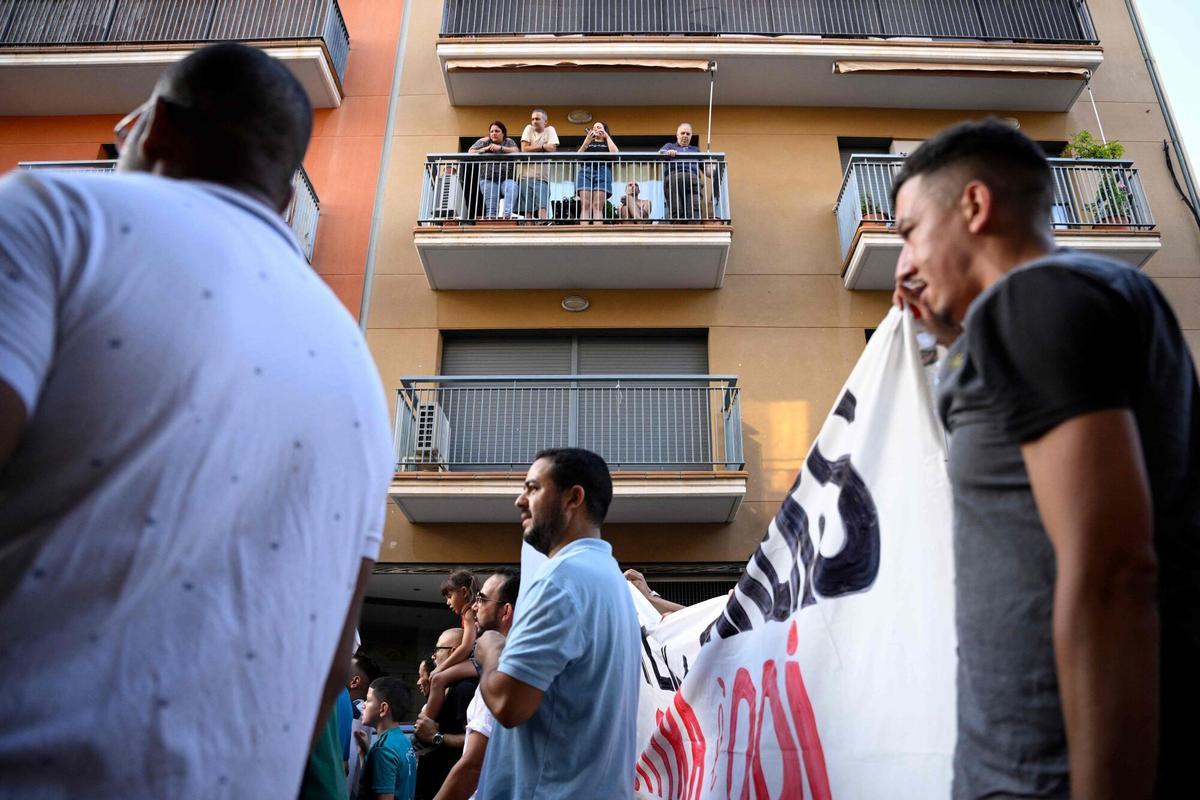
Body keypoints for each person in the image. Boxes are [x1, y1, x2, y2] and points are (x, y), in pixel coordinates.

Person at [0, 43, 393, 795]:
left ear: (155, 128)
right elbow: (330, 664)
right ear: (285, 198)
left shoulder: (55, 216)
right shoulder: (359, 377)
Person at [891, 118, 1199, 799]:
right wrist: (950, 337)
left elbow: (1115, 571)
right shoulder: (1096, 295)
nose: (902, 265)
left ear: (975, 205)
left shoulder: (1034, 299)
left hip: (1049, 773)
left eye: (909, 233)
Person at [474, 448, 640, 799]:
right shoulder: (609, 579)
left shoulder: (560, 580)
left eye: (533, 488)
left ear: (573, 498)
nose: (520, 501)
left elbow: (508, 704)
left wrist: (491, 650)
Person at [435, 568, 521, 800]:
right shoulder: (532, 673)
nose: (474, 606)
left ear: (506, 611)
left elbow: (472, 766)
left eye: (482, 599)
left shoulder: (497, 679)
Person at [413, 628, 478, 800]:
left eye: (437, 649)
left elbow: (474, 740)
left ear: (454, 651)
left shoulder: (466, 689)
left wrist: (436, 737)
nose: (433, 656)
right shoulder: (446, 686)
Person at [422, 569, 480, 722]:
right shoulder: (474, 611)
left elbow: (466, 647)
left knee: (438, 679)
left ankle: (426, 722)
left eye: (450, 596)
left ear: (464, 591)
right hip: (478, 659)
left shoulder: (469, 612)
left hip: (479, 660)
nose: (448, 602)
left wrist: (441, 667)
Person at [360, 677, 418, 800]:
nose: (363, 705)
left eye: (368, 700)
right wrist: (364, 753)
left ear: (383, 708)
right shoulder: (403, 741)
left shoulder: (383, 750)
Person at [468, 121, 518, 218]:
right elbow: (471, 152)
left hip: (506, 179)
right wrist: (486, 149)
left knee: (512, 187)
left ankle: (507, 216)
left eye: (497, 131)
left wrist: (500, 148)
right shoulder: (485, 141)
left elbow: (516, 151)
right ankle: (491, 221)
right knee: (491, 209)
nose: (494, 133)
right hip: (488, 178)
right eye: (491, 131)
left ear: (503, 133)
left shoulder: (508, 141)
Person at [659, 122, 708, 221]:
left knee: (695, 208)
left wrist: (712, 165)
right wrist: (667, 152)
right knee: (676, 208)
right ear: (677, 135)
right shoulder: (669, 146)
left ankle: (693, 226)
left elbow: (707, 171)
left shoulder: (695, 150)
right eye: (683, 133)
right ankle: (678, 227)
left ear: (691, 136)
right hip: (675, 177)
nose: (685, 135)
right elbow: (659, 154)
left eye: (688, 134)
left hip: (693, 178)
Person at [518, 109, 559, 221]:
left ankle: (542, 226)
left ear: (545, 121)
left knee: (542, 206)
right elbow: (524, 149)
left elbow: (552, 149)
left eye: (537, 119)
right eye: (532, 119)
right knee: (527, 209)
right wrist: (543, 147)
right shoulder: (528, 128)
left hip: (542, 177)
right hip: (525, 176)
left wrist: (533, 148)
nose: (534, 121)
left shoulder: (550, 130)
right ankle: (528, 229)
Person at [575, 121, 618, 224]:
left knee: (597, 205)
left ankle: (597, 231)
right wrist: (587, 141)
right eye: (594, 128)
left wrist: (607, 137)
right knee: (585, 205)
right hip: (586, 171)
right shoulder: (588, 143)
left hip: (602, 171)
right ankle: (583, 231)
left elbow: (615, 155)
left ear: (605, 130)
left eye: (599, 127)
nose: (596, 129)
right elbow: (577, 157)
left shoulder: (607, 143)